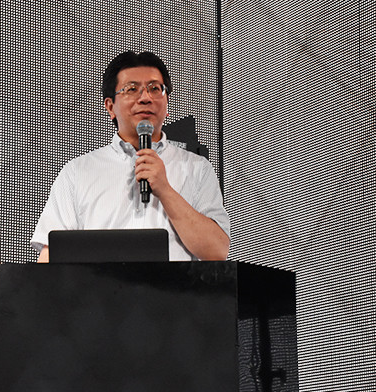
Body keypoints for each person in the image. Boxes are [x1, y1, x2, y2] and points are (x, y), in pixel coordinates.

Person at [31, 51, 229, 262]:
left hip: (176, 284)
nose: (145, 98)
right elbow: (51, 254)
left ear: (167, 103)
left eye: (155, 89)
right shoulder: (77, 172)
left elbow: (217, 251)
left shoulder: (197, 168)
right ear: (110, 107)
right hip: (99, 285)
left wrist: (165, 190)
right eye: (132, 89)